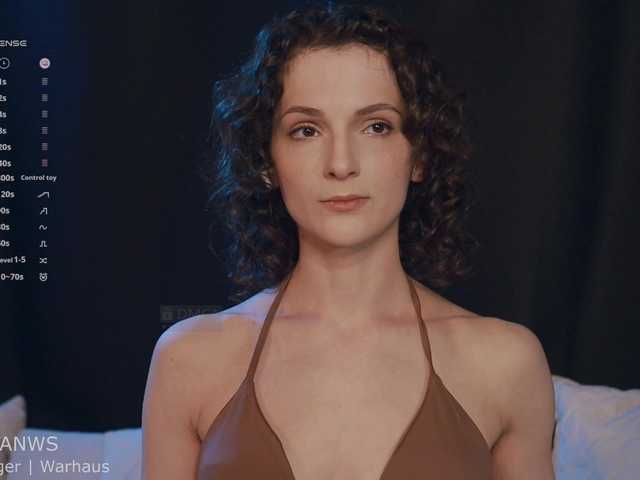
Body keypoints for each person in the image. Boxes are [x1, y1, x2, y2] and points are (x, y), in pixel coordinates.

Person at [142, 2, 556, 479]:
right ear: (266, 162)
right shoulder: (188, 359)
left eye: (376, 126)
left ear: (420, 155)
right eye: (306, 130)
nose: (341, 164)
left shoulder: (506, 364)